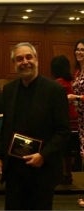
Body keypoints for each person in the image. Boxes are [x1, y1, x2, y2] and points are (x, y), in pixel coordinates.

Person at [0, 42, 70, 210]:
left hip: (42, 168)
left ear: (37, 60)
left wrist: (43, 155)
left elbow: (63, 131)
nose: (25, 62)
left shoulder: (54, 90)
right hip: (14, 169)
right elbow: (6, 127)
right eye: (19, 59)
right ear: (14, 64)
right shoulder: (9, 90)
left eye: (29, 57)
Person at [50, 55, 78, 185]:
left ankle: (62, 175)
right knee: (70, 152)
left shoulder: (57, 84)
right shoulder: (72, 82)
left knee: (61, 150)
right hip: (76, 122)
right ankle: (69, 175)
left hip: (64, 121)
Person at [69, 38, 84, 207]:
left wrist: (76, 98)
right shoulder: (77, 72)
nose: (79, 52)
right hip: (81, 119)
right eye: (77, 49)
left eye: (83, 49)